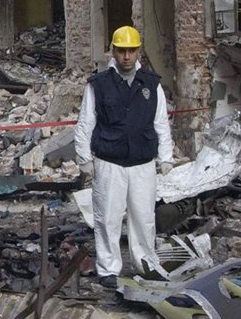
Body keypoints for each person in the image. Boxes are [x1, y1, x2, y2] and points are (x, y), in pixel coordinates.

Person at [72, 25, 174, 288]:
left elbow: (161, 122)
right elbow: (86, 122)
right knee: (107, 217)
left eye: (131, 50)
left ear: (138, 50)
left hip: (143, 162)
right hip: (109, 161)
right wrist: (84, 159)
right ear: (113, 52)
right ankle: (108, 269)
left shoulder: (152, 84)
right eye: (121, 51)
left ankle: (144, 264)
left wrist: (166, 157)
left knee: (144, 218)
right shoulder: (99, 85)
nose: (127, 56)